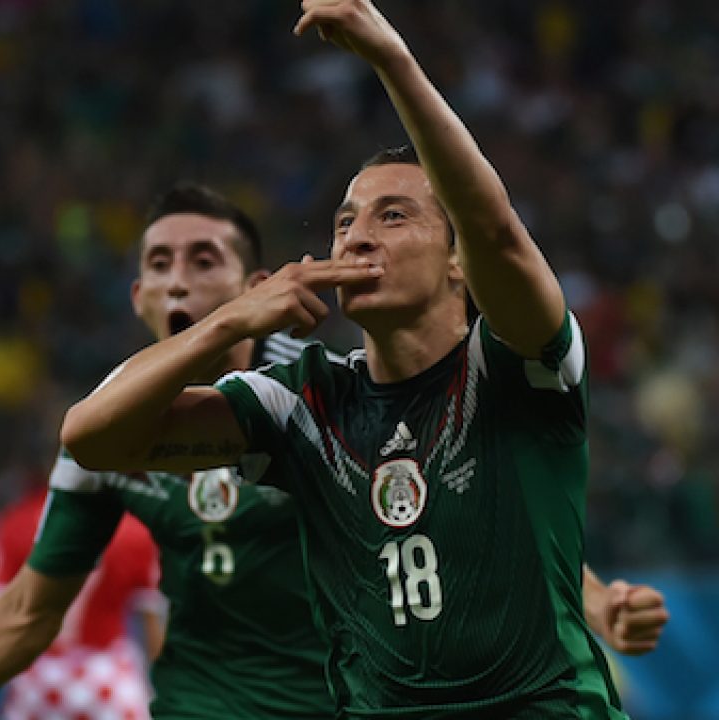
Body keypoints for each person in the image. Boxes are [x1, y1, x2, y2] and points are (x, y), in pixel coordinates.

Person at [61, 1, 666, 716]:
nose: (356, 238)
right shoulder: (302, 401)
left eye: (394, 216)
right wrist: (230, 320)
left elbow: (497, 233)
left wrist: (391, 59)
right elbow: (92, 436)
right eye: (345, 222)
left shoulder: (519, 365)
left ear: (458, 262)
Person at [0, 185, 339, 719]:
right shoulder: (110, 423)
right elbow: (28, 612)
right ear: (138, 297)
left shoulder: (321, 392)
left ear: (256, 289)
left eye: (204, 261)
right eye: (159, 264)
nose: (178, 281)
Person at [0, 480, 163, 719]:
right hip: (106, 675)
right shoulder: (132, 530)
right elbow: (153, 626)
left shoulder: (16, 522)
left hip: (39, 677)